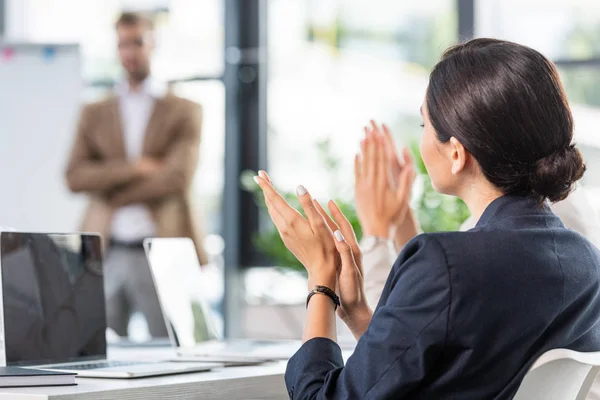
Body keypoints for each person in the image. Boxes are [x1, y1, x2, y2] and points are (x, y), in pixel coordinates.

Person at [254, 38, 600, 399]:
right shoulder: (587, 262)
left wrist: (320, 280)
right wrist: (357, 313)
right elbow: (453, 375)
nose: (421, 139)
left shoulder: (444, 263)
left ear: (456, 153)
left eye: (424, 125)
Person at [65, 12, 207, 338]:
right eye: (122, 44)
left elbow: (176, 179)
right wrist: (135, 168)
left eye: (137, 42)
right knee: (96, 348)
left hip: (163, 247)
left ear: (153, 43)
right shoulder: (94, 112)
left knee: (172, 346)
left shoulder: (184, 110)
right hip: (106, 249)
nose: (130, 52)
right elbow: (74, 176)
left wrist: (108, 187)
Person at [357, 121, 600, 307]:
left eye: (425, 125)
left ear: (457, 152)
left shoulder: (496, 248)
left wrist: (376, 235)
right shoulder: (559, 231)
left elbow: (394, 350)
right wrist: (401, 218)